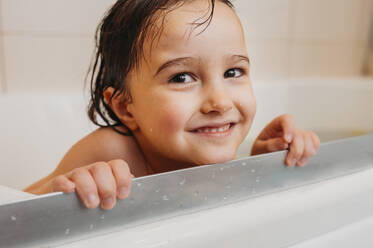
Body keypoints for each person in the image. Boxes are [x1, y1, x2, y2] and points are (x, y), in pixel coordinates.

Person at [25, 0, 320, 210]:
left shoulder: (208, 142)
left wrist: (262, 164)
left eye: (233, 72)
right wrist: (63, 192)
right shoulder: (112, 150)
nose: (219, 102)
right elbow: (15, 207)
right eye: (181, 77)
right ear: (127, 108)